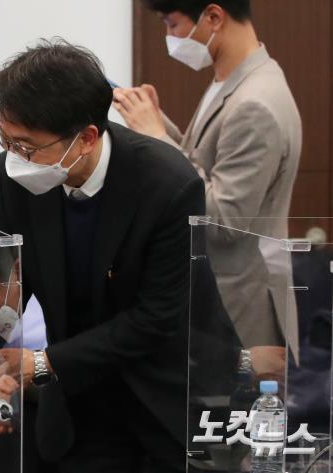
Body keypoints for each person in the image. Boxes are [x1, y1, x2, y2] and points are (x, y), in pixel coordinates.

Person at [0, 39, 218, 472]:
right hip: (78, 403)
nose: (14, 157)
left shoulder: (168, 184)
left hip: (159, 396)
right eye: (5, 140)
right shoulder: (13, 176)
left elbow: (157, 317)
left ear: (86, 138)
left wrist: (43, 361)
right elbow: (0, 290)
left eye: (26, 146)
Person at [113, 0, 302, 354]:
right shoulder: (233, 81)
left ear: (213, 17)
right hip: (219, 300)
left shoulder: (255, 103)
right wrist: (156, 123)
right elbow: (204, 163)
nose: (169, 37)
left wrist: (157, 137)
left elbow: (226, 221)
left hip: (240, 308)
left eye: (172, 24)